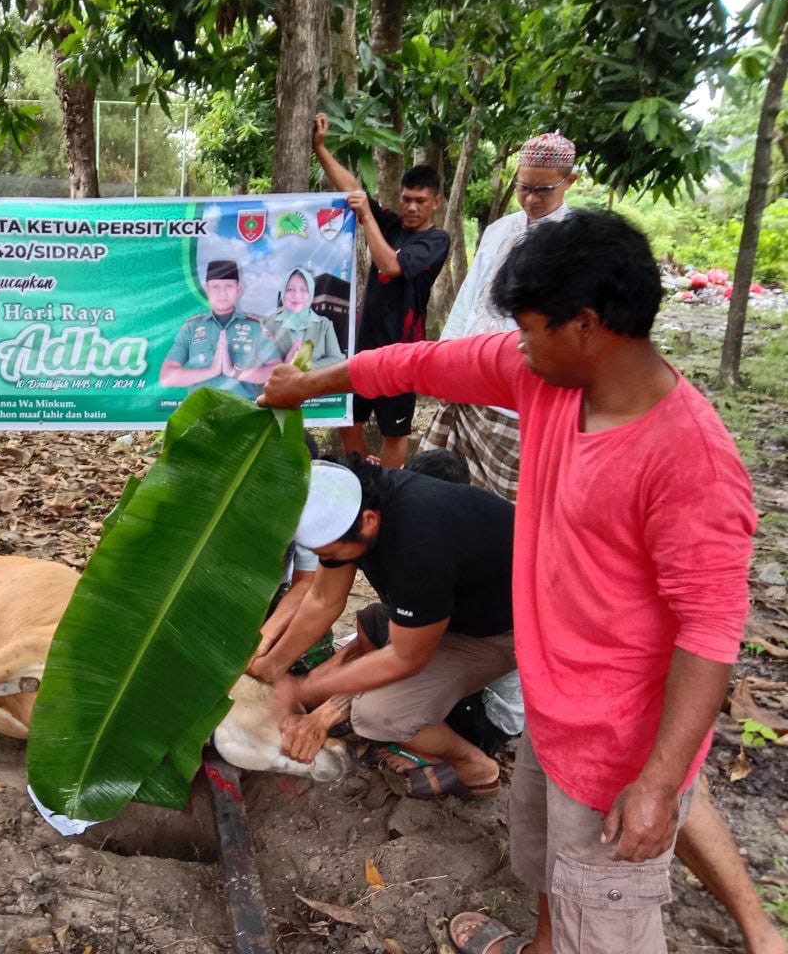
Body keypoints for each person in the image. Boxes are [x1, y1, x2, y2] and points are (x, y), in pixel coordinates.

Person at [257, 210, 760, 954]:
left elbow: (711, 634)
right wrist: (307, 384)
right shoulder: (545, 378)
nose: (518, 345)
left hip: (613, 742)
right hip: (552, 709)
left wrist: (656, 783)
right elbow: (413, 364)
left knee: (607, 912)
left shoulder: (691, 463)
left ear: (586, 325)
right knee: (553, 876)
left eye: (530, 328)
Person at [258, 457, 518, 801]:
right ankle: (377, 698)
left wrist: (307, 688)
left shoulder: (419, 543)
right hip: (445, 611)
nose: (329, 560)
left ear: (367, 522)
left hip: (501, 633)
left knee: (377, 715)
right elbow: (323, 599)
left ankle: (475, 766)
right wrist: (270, 666)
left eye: (331, 554)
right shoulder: (354, 501)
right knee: (369, 624)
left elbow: (405, 659)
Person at [419, 132, 578, 503]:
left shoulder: (575, 243)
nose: (531, 199)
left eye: (544, 190)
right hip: (471, 382)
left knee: (515, 506)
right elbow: (468, 300)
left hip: (521, 396)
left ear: (570, 181)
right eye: (524, 187)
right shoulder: (499, 230)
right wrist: (445, 362)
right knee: (447, 492)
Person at [312, 113, 448, 468]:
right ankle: (361, 482)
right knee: (349, 422)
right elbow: (353, 191)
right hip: (364, 345)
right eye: (406, 199)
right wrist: (320, 148)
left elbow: (391, 265)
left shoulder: (436, 241)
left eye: (420, 200)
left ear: (436, 202)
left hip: (401, 354)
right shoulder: (391, 223)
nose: (412, 207)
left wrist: (367, 218)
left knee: (394, 433)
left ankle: (389, 493)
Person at [159, 259, 284, 400]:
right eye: (216, 287)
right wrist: (211, 371)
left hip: (242, 411)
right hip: (200, 412)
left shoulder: (254, 327)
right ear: (207, 289)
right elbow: (167, 377)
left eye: (228, 286)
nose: (222, 293)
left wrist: (234, 372)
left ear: (238, 288)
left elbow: (276, 371)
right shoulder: (191, 327)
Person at [266, 268, 345, 371]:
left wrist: (305, 366)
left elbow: (336, 359)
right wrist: (285, 366)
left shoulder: (324, 324)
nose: (297, 295)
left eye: (304, 289)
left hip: (314, 385)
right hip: (279, 386)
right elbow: (260, 364)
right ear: (283, 294)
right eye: (289, 289)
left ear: (311, 294)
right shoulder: (269, 326)